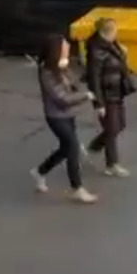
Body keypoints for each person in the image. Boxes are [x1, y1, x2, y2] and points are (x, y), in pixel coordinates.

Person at [32, 35, 97, 202]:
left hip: (68, 115)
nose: (67, 54)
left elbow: (75, 85)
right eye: (65, 51)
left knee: (65, 149)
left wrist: (71, 69)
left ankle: (40, 171)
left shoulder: (60, 68)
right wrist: (86, 96)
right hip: (56, 117)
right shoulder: (47, 72)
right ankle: (77, 188)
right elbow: (62, 99)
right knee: (73, 147)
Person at [84, 17, 135, 178]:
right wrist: (99, 103)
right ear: (108, 32)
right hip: (106, 94)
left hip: (116, 91)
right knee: (112, 128)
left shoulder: (112, 45)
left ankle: (96, 145)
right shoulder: (96, 51)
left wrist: (123, 54)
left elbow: (119, 63)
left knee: (120, 125)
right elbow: (94, 78)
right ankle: (112, 164)